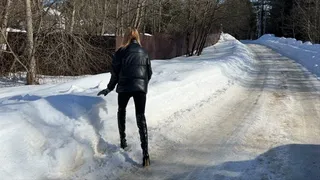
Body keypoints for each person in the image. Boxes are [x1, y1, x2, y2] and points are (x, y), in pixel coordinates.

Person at [97, 28, 152, 167]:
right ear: (137, 37)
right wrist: (142, 84)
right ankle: (145, 154)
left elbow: (114, 73)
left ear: (126, 37)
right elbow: (149, 73)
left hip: (124, 87)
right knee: (141, 117)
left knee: (121, 111)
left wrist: (109, 88)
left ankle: (123, 141)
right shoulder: (144, 52)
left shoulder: (120, 52)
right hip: (140, 88)